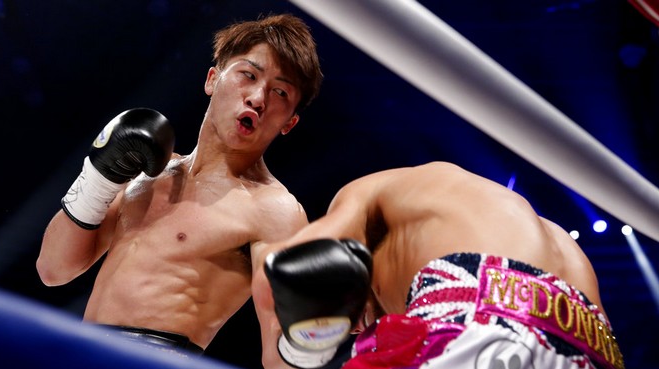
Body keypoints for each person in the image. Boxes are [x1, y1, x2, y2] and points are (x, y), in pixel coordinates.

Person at [36, 13, 323, 356]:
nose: (258, 98)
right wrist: (99, 175)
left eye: (279, 92)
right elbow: (53, 269)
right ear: (213, 79)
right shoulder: (147, 173)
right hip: (80, 355)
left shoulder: (274, 210)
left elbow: (284, 344)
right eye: (249, 75)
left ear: (289, 123)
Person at [253, 161, 624, 369]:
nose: (359, 329)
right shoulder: (461, 201)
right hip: (596, 350)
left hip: (481, 319)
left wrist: (286, 352)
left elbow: (278, 274)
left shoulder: (361, 195)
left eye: (362, 321)